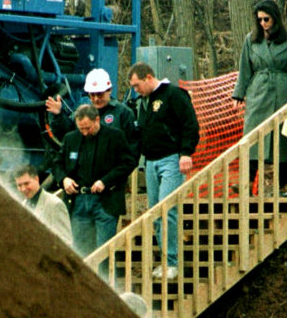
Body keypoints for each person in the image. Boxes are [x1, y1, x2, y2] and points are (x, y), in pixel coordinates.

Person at [129, 63, 200, 279]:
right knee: (155, 212)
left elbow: (190, 124)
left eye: (137, 85)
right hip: (150, 161)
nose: (136, 90)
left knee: (167, 208)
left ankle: (172, 261)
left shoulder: (174, 95)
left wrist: (186, 152)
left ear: (149, 77)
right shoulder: (143, 102)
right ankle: (164, 259)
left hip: (171, 159)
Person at [232, 0, 287, 194]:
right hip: (258, 92)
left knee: (284, 139)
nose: (263, 23)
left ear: (275, 18)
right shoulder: (251, 39)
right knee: (253, 137)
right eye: (259, 20)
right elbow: (244, 69)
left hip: (284, 92)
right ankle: (248, 182)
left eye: (266, 19)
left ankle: (283, 183)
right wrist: (238, 95)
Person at [52, 103, 137, 258]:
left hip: (105, 202)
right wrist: (64, 179)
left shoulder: (115, 136)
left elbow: (128, 162)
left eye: (88, 128)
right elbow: (57, 164)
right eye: (81, 128)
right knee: (81, 253)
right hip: (78, 201)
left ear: (97, 119)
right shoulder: (71, 138)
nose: (84, 132)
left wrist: (106, 181)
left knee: (104, 253)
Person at [45, 68, 138, 143]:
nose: (96, 98)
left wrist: (124, 165)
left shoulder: (123, 113)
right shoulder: (82, 113)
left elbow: (133, 144)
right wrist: (58, 115)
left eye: (100, 94)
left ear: (109, 90)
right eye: (92, 95)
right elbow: (66, 134)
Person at [12, 163, 72, 243]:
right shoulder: (23, 205)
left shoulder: (55, 204)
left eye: (26, 184)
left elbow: (66, 242)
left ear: (37, 179)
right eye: (19, 185)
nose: (23, 189)